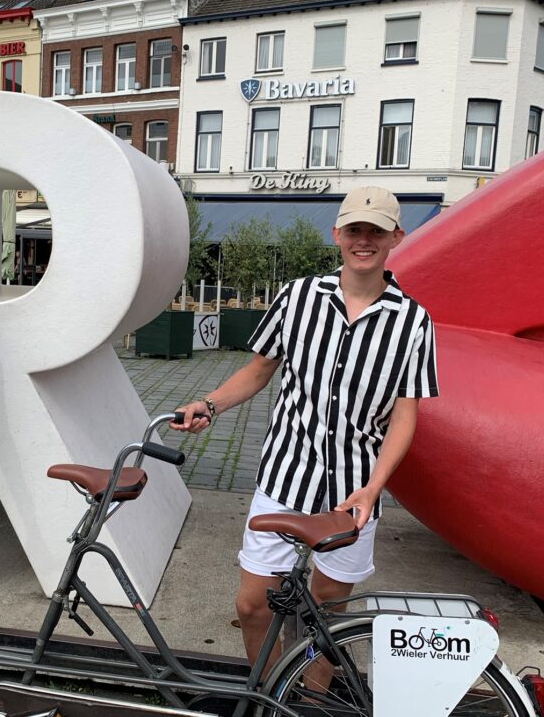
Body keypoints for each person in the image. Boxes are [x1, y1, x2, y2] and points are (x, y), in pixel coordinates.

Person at [172, 185, 438, 675]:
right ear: (336, 233)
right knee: (253, 605)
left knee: (324, 618)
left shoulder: (413, 321)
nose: (364, 240)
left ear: (395, 237)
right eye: (355, 229)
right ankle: (272, 697)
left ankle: (310, 706)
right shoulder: (297, 296)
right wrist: (210, 403)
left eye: (376, 231)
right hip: (284, 480)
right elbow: (258, 369)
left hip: (352, 493)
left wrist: (374, 487)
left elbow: (406, 412)